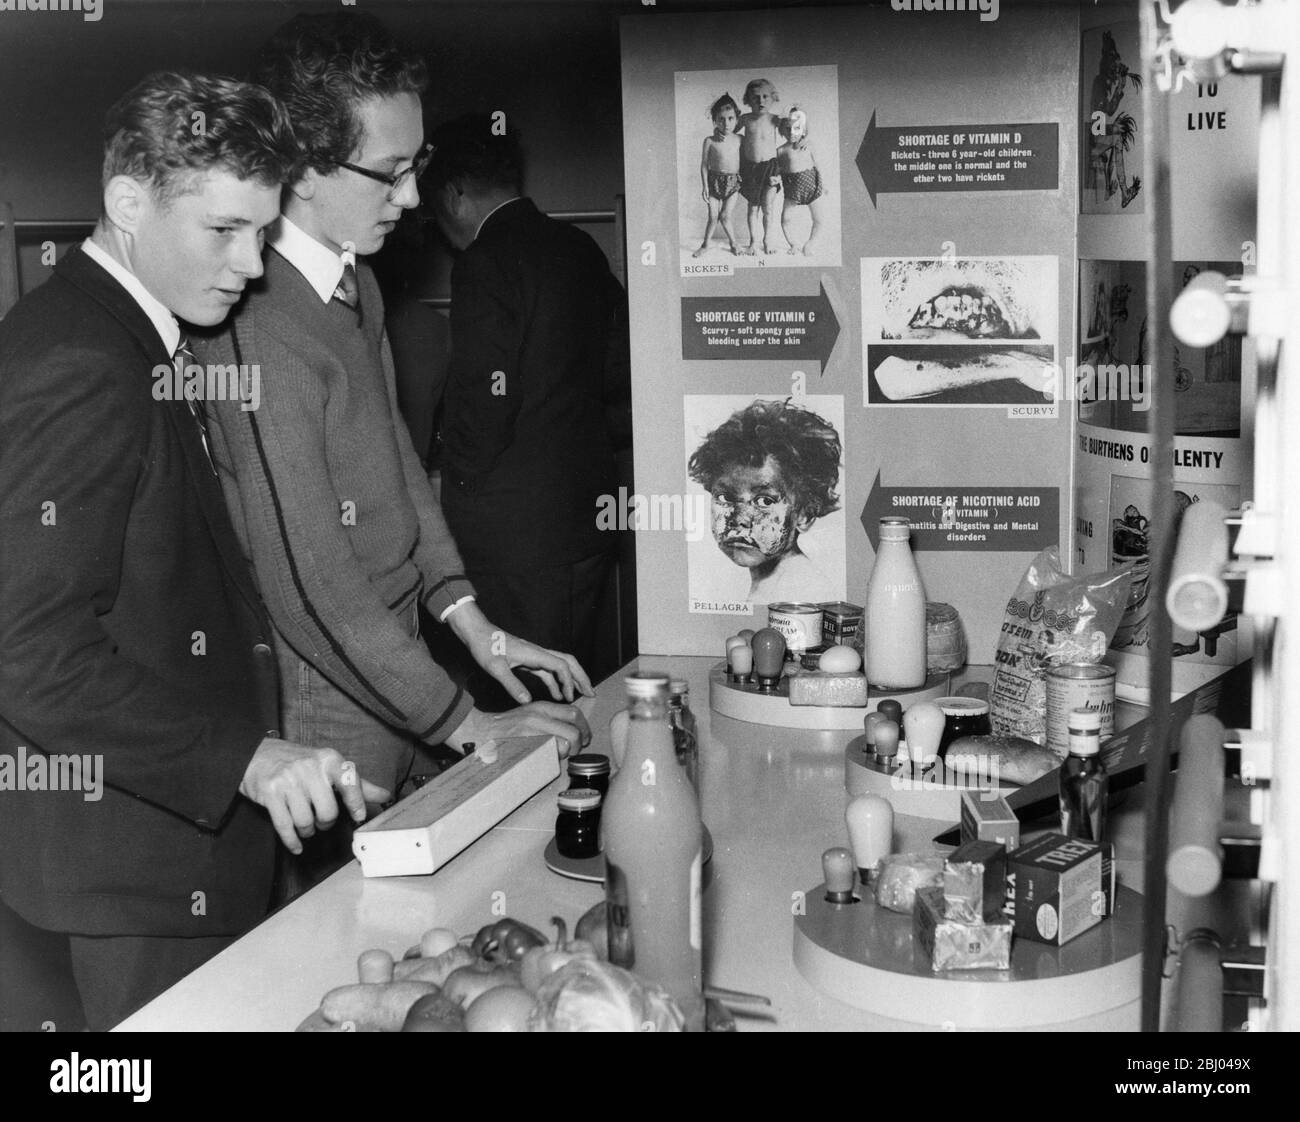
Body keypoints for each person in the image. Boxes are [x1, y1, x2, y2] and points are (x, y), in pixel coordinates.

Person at [0, 72, 365, 1032]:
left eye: (263, 230)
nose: (251, 263)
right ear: (128, 204)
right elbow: (26, 649)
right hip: (134, 874)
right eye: (223, 230)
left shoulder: (132, 336)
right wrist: (244, 756)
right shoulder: (81, 362)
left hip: (170, 850)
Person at [197, 13, 591, 896]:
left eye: (416, 169)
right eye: (391, 172)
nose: (413, 198)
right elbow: (311, 584)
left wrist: (475, 628)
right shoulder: (255, 324)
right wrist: (467, 723)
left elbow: (403, 475)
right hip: (324, 703)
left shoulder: (356, 281)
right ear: (299, 169)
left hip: (400, 666)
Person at [425, 113, 632, 702]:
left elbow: (483, 402)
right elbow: (621, 377)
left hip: (515, 539)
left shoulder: (484, 262)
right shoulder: (580, 249)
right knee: (572, 685)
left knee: (520, 704)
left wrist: (455, 483)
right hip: (587, 521)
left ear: (454, 192)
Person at [688, 398, 841, 604]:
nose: (740, 519)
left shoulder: (801, 591)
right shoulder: (772, 585)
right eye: (725, 498)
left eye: (764, 501)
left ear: (805, 514)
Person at [737, 78, 784, 255]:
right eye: (755, 97)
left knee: (768, 207)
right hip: (750, 168)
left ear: (773, 98)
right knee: (752, 207)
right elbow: (728, 133)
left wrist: (803, 141)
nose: (761, 101)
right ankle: (753, 242)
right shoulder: (745, 119)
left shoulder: (775, 120)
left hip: (771, 168)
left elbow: (794, 133)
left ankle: (767, 240)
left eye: (765, 96)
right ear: (748, 100)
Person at [693, 93, 741, 257]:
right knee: (712, 217)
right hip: (713, 181)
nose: (726, 123)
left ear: (736, 119)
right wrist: (705, 186)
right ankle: (705, 245)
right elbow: (704, 164)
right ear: (715, 120)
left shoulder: (740, 139)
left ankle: (734, 243)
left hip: (733, 183)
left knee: (725, 216)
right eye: (721, 119)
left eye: (730, 118)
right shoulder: (709, 141)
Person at [777, 106, 829, 257]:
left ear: (803, 130)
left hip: (812, 186)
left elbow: (817, 165)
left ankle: (810, 245)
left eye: (796, 128)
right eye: (788, 129)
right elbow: (780, 169)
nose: (792, 132)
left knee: (819, 220)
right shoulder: (781, 150)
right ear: (782, 130)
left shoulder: (809, 145)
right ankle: (793, 244)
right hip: (793, 189)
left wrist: (823, 185)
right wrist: (776, 178)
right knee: (785, 219)